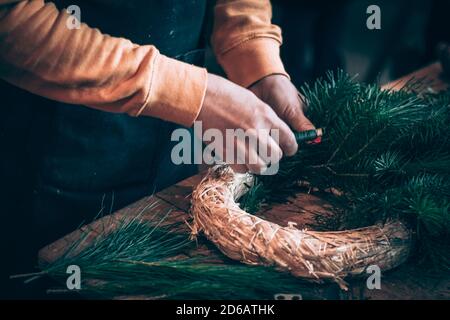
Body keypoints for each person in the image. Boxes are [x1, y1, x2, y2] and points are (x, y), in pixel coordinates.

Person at [0, 0, 315, 260]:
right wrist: (196, 96)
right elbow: (9, 22)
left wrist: (256, 62)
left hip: (170, 154)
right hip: (49, 161)